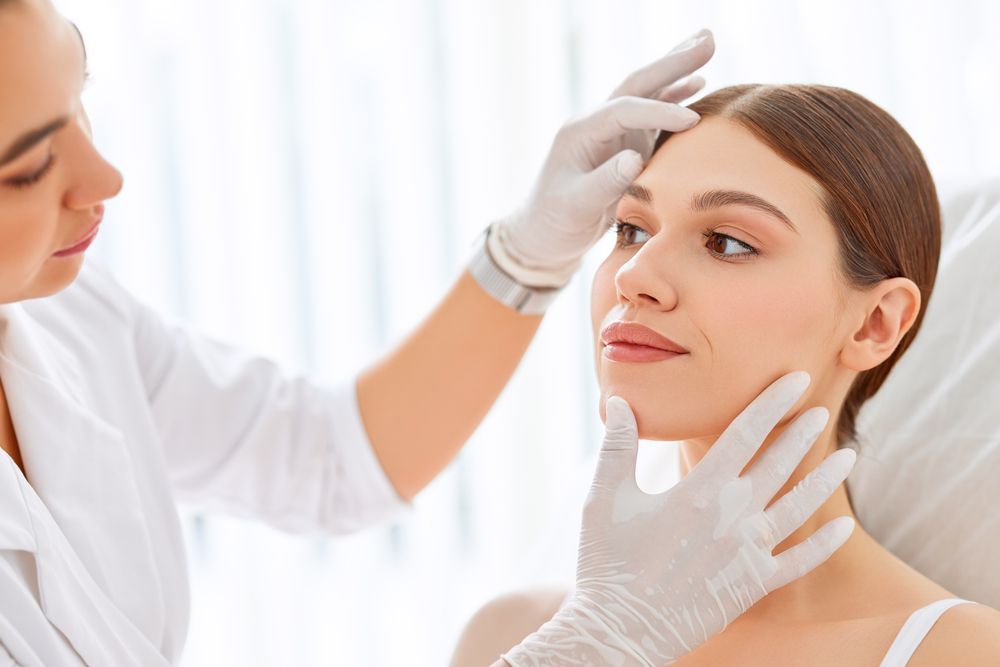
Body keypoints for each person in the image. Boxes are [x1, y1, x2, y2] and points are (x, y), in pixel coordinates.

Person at [0, 0, 860, 663]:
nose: (105, 176)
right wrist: (595, 645)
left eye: (81, 99)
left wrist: (524, 258)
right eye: (27, 167)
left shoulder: (66, 317)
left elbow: (326, 455)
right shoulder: (513, 627)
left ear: (881, 319)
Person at [451, 83, 1000, 665]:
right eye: (631, 229)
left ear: (874, 325)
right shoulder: (515, 633)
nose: (633, 276)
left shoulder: (957, 652)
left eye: (727, 243)